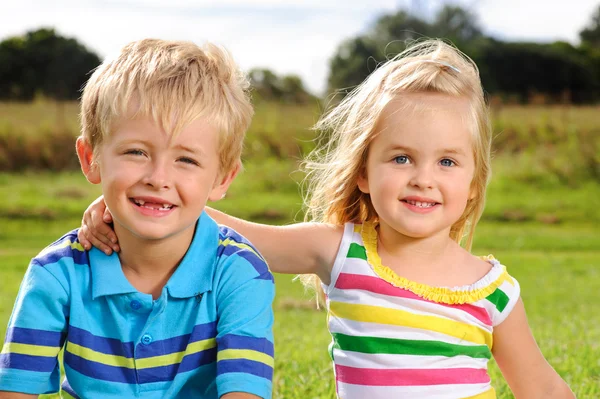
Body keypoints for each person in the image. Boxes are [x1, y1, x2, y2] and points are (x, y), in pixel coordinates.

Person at [78, 40, 574, 399]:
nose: (423, 178)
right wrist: (132, 205)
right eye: (401, 158)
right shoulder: (341, 250)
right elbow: (240, 237)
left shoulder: (492, 290)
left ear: (472, 183)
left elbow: (543, 387)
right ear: (363, 173)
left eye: (447, 162)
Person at [0, 39, 275, 399]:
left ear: (222, 178)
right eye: (136, 152)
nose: (158, 178)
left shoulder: (239, 271)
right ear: (90, 158)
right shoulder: (57, 274)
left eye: (186, 160)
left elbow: (244, 391)